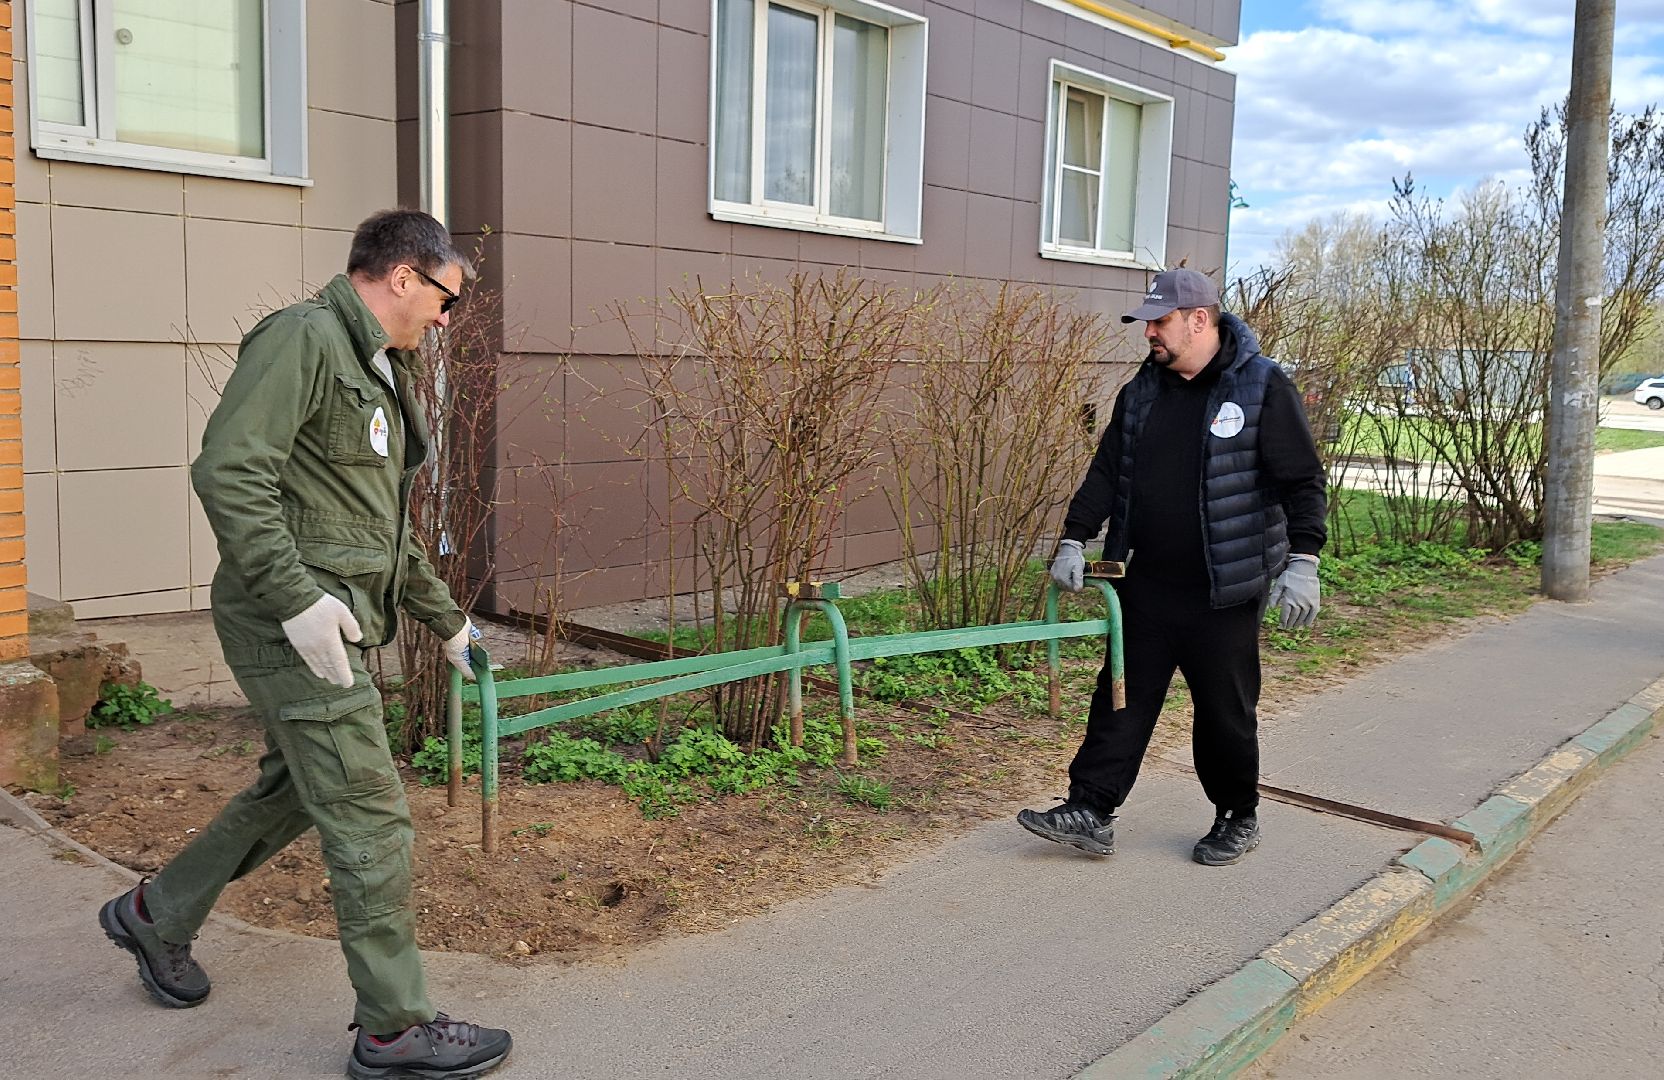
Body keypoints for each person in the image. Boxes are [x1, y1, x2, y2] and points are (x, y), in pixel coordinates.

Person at [97, 209, 512, 1079]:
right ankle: (394, 1029)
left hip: (335, 620)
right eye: (446, 301)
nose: (446, 320)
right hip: (288, 622)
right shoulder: (305, 339)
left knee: (295, 792)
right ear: (403, 276)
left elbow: (382, 532)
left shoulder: (373, 367)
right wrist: (294, 600)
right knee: (368, 810)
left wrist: (447, 622)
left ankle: (156, 913)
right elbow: (229, 469)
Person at [1018, 267, 1326, 866]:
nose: (1149, 334)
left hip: (1224, 587)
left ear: (1199, 320)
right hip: (1148, 578)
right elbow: (1108, 471)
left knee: (1224, 710)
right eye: (1147, 323)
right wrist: (1075, 538)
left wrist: (1304, 559)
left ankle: (1237, 814)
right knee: (1120, 696)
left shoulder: (1262, 387)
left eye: (1159, 322)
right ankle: (1091, 807)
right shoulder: (1142, 391)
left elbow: (1302, 480)